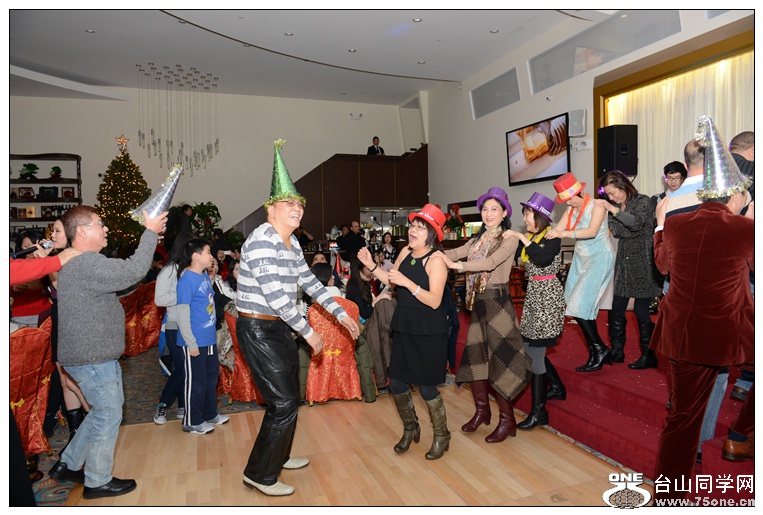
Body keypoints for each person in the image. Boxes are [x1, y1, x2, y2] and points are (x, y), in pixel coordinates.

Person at [236, 140, 359, 497]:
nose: (296, 209)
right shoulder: (262, 240)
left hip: (278, 328)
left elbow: (311, 283)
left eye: (299, 204)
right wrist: (309, 332)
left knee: (290, 396)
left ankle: (280, 455)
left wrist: (340, 314)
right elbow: (276, 296)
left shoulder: (291, 244)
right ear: (270, 210)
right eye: (288, 203)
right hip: (259, 328)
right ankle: (259, 474)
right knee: (283, 402)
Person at [651, 117, 754, 503]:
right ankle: (740, 437)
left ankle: (668, 497)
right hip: (724, 336)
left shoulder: (677, 225)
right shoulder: (744, 229)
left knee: (682, 416)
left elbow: (662, 265)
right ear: (734, 194)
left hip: (680, 335)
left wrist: (659, 226)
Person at [49, 206, 166, 500]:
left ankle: (68, 464)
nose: (106, 229)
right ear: (82, 231)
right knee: (108, 414)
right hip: (92, 357)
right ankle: (97, 481)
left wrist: (137, 269)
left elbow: (122, 283)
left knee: (103, 412)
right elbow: (132, 270)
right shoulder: (86, 262)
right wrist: (150, 232)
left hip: (89, 355)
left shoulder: (81, 263)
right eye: (99, 223)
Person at [358, 203, 450, 459]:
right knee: (397, 382)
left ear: (431, 234)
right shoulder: (405, 252)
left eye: (420, 227)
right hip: (404, 325)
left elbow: (435, 301)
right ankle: (411, 428)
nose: (413, 231)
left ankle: (442, 435)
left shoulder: (436, 260)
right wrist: (372, 266)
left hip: (429, 330)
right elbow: (391, 280)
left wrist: (408, 284)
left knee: (427, 388)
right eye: (412, 226)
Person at [439, 187, 530, 443]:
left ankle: (507, 420)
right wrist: (432, 255)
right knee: (475, 359)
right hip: (478, 303)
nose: (488, 214)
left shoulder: (508, 238)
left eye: (494, 209)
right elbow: (456, 252)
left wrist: (458, 266)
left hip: (498, 303)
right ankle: (482, 411)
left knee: (501, 362)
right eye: (485, 209)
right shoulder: (478, 239)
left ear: (504, 213)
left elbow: (491, 263)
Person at [503, 192, 566, 430]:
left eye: (527, 214)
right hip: (534, 298)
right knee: (530, 348)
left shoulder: (552, 237)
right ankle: (557, 386)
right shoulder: (531, 237)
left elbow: (542, 258)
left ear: (539, 216)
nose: (524, 219)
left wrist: (521, 236)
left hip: (547, 298)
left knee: (536, 352)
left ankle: (540, 412)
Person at [547, 172, 614, 372]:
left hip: (599, 258)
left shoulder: (597, 206)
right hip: (580, 259)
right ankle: (597, 350)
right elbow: (556, 232)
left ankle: (599, 349)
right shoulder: (571, 209)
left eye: (570, 199)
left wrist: (564, 233)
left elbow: (591, 231)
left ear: (580, 192)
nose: (568, 203)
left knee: (579, 305)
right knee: (577, 306)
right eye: (565, 200)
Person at [596, 170, 662, 369]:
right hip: (624, 259)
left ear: (623, 185)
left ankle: (649, 355)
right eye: (608, 195)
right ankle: (617, 350)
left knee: (641, 310)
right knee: (617, 308)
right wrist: (623, 220)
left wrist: (615, 212)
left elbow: (636, 223)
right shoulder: (616, 207)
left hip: (643, 260)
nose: (611, 198)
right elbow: (618, 231)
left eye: (613, 192)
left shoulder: (643, 201)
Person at [176, 238, 229, 434]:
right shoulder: (186, 280)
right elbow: (182, 314)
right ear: (196, 256)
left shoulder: (205, 276)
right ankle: (192, 421)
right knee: (196, 382)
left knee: (211, 377)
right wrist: (191, 343)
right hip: (194, 341)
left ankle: (209, 413)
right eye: (208, 252)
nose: (211, 256)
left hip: (209, 339)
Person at [47, 219, 90, 456]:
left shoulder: (74, 259)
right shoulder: (56, 258)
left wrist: (48, 263)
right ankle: (76, 435)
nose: (52, 235)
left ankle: (96, 428)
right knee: (64, 381)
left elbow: (62, 290)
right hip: (58, 319)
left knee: (75, 381)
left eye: (57, 231)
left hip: (73, 321)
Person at [153, 231, 195, 425]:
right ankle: (163, 403)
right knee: (182, 369)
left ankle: (182, 405)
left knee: (188, 368)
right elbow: (159, 299)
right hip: (175, 326)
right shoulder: (169, 271)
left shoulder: (193, 270)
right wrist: (184, 295)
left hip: (193, 326)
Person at [346, 257, 395, 392]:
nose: (372, 272)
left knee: (389, 303)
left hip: (373, 325)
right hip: (362, 327)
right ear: (359, 270)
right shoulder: (353, 288)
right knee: (384, 305)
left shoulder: (365, 284)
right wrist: (378, 299)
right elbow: (364, 315)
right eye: (369, 268)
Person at [11, 229, 51, 328]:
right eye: (26, 246)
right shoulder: (16, 265)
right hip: (20, 315)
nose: (31, 250)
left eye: (34, 245)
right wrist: (15, 288)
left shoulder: (47, 262)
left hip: (43, 313)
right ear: (20, 247)